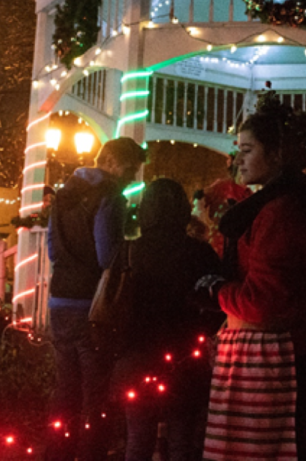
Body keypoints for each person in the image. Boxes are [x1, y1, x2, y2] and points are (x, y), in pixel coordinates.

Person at [196, 91, 306, 461]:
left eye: (248, 149)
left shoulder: (279, 213)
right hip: (261, 357)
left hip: (270, 364)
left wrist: (215, 291)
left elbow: (264, 301)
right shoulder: (274, 206)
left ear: (278, 154)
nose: (237, 158)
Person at [45, 136, 146, 461]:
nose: (132, 178)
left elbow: (50, 247)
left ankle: (56, 455)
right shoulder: (110, 196)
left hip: (59, 298)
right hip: (91, 305)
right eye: (131, 169)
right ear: (113, 162)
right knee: (95, 397)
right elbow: (107, 256)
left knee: (64, 391)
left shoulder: (64, 192)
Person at [114, 178, 223, 461]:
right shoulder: (199, 252)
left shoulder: (129, 251)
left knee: (138, 439)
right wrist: (203, 330)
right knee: (183, 441)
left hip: (136, 355)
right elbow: (221, 300)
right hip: (185, 356)